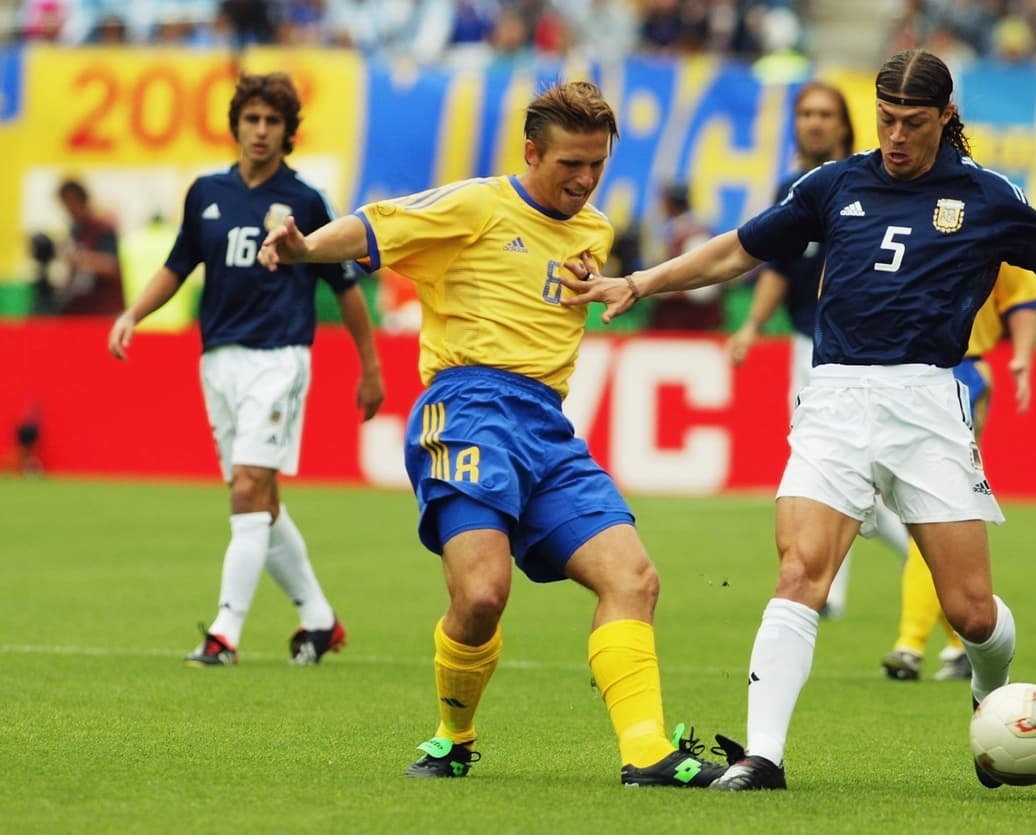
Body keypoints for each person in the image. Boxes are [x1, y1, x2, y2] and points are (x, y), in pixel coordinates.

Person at [561, 49, 1036, 791]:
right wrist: (639, 279)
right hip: (834, 398)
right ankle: (764, 756)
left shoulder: (985, 196)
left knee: (973, 611)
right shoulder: (836, 184)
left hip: (928, 403)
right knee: (800, 571)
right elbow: (739, 249)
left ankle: (992, 689)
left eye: (913, 123)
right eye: (887, 118)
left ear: (945, 118)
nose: (895, 136)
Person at [256, 81, 727, 788]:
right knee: (481, 595)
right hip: (469, 405)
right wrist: (304, 250)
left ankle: (647, 751)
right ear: (532, 151)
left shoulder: (593, 230)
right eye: (570, 162)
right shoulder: (476, 203)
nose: (584, 178)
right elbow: (377, 226)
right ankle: (453, 735)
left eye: (596, 163)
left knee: (634, 578)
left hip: (547, 423)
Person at [107, 71, 385, 667]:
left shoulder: (305, 201)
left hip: (279, 359)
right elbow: (179, 264)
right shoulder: (206, 192)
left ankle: (224, 634)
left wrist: (370, 368)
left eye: (273, 122)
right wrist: (133, 312)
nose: (260, 131)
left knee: (247, 489)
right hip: (219, 362)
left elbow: (346, 289)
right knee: (262, 499)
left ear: (288, 133)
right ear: (236, 124)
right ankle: (319, 621)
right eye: (252, 119)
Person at [727, 79, 910, 622]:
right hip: (810, 347)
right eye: (805, 112)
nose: (813, 122)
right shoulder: (794, 187)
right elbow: (777, 266)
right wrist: (752, 326)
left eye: (824, 113)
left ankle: (924, 560)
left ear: (843, 124)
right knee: (831, 473)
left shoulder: (867, 181)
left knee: (851, 474)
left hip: (868, 350)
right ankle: (830, 588)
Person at [881, 263, 1036, 682]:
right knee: (921, 523)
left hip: (959, 374)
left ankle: (911, 645)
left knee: (931, 511)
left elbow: (1022, 297)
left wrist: (1023, 358)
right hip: (894, 378)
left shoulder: (986, 217)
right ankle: (961, 647)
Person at [646, 181, 723, 331]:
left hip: (680, 313)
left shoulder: (674, 231)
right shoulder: (704, 226)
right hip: (708, 312)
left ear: (670, 203)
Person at [52, 178, 125, 317]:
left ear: (83, 201)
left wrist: (79, 258)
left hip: (102, 309)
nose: (69, 211)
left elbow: (111, 266)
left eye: (71, 205)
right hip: (79, 307)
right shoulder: (76, 231)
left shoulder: (103, 229)